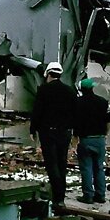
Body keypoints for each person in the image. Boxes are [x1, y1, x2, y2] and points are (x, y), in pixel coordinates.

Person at [30, 62, 77, 207]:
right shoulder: (69, 90)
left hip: (48, 132)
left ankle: (57, 197)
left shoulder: (44, 90)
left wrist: (33, 129)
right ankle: (60, 196)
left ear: (48, 74)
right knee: (62, 163)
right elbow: (75, 113)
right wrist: (74, 131)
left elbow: (37, 111)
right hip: (65, 132)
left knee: (52, 163)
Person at [74, 78, 110, 204]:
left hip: (85, 140)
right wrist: (105, 134)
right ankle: (100, 195)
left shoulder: (77, 103)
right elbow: (109, 121)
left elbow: (73, 122)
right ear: (92, 88)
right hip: (100, 139)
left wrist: (74, 139)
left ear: (81, 89)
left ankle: (88, 196)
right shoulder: (103, 102)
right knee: (99, 168)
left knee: (86, 168)